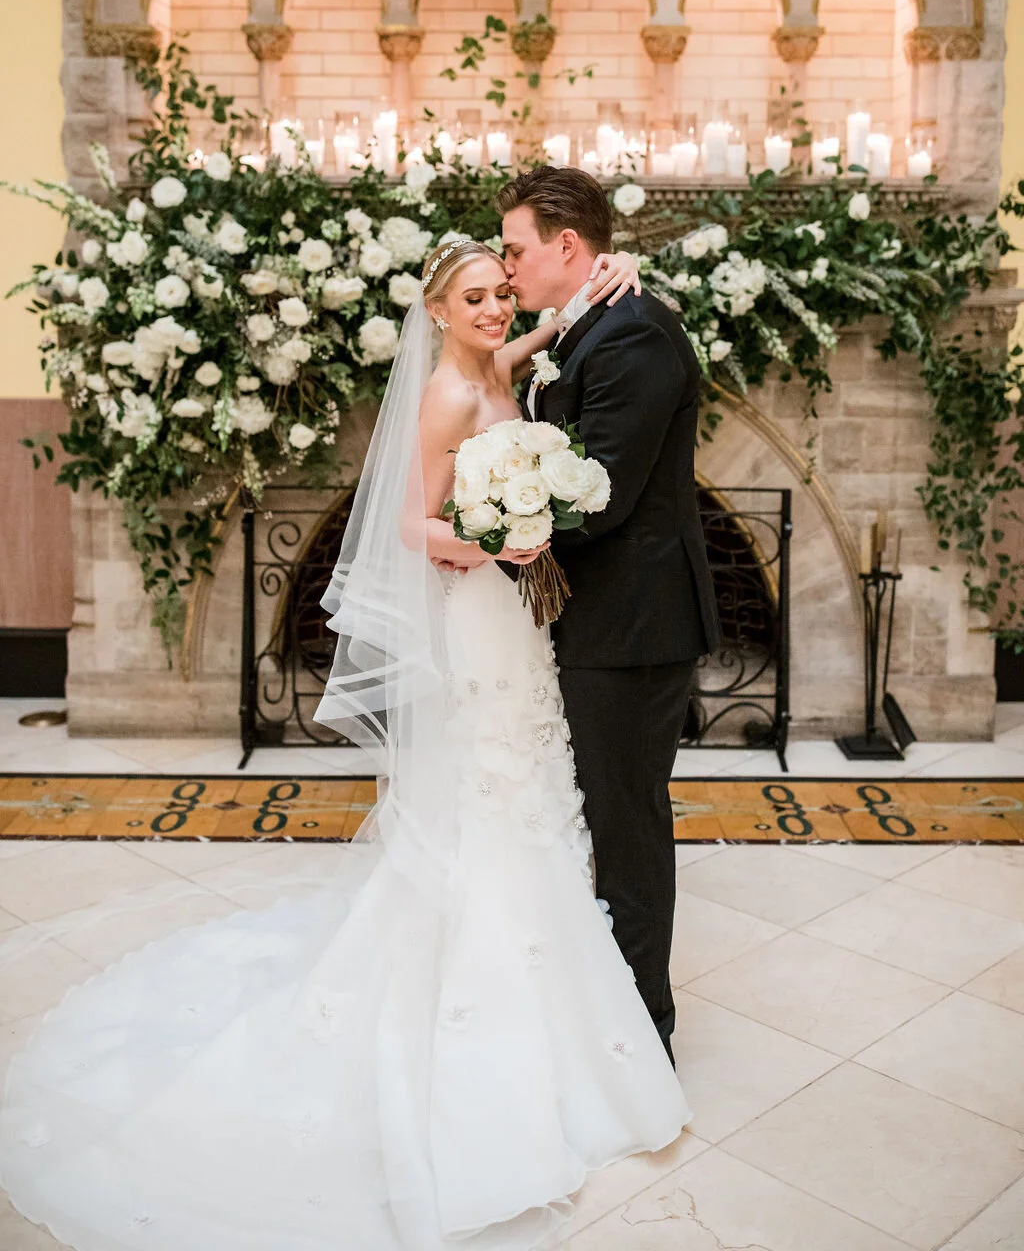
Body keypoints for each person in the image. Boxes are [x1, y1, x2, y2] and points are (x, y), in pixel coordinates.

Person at [0, 234, 692, 1251]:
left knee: (539, 795)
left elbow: (557, 329)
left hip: (516, 625)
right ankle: (476, 1011)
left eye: (503, 293)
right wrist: (500, 539)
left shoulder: (498, 365)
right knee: (486, 801)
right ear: (438, 313)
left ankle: (560, 1009)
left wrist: (604, 276)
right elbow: (416, 526)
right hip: (477, 610)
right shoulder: (448, 400)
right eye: (477, 299)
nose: (498, 310)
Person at [496, 166, 721, 1064]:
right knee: (604, 814)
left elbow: (604, 498)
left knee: (627, 826)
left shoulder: (631, 338)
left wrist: (493, 534)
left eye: (515, 250)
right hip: (599, 623)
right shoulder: (590, 322)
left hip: (632, 627)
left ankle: (642, 1030)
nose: (508, 268)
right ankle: (609, 1004)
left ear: (566, 246)